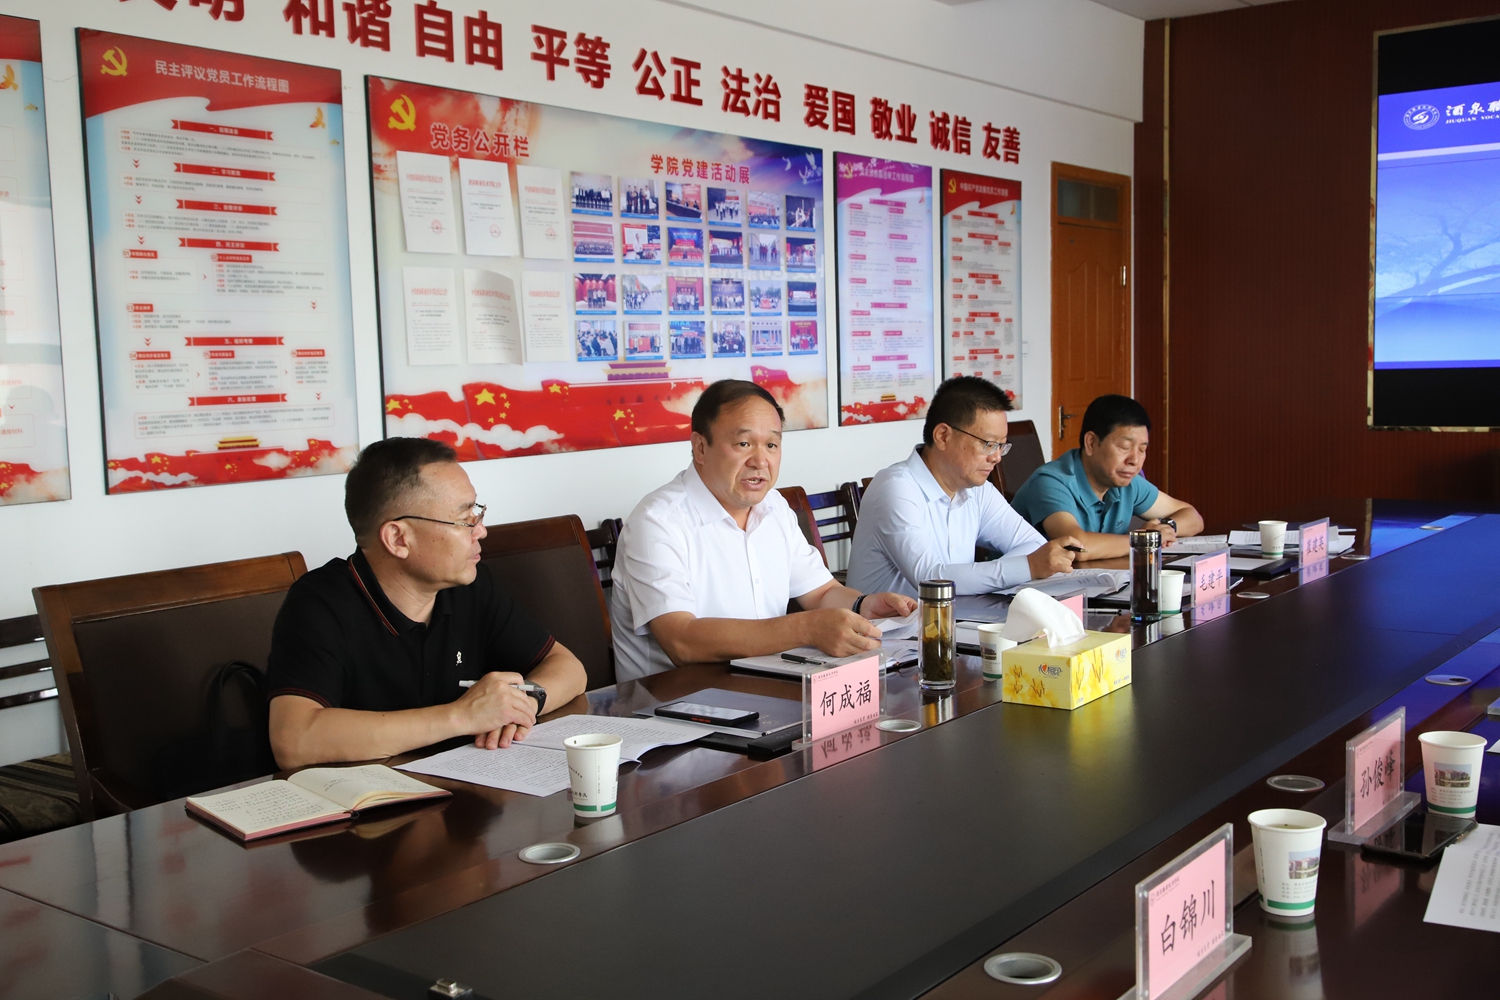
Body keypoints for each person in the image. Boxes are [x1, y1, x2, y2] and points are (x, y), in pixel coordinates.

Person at [267, 438, 588, 769]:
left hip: (465, 782)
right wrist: (460, 716)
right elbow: (293, 740)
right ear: (398, 539)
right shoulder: (319, 604)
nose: (481, 531)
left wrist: (522, 703)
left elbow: (569, 668)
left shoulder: (468, 585)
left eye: (478, 513)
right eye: (465, 519)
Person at [611, 379, 917, 681]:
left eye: (771, 445)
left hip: (765, 686)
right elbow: (682, 641)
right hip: (676, 702)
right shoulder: (657, 522)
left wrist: (863, 605)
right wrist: (806, 628)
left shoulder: (774, 507)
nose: (760, 461)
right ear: (700, 448)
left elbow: (822, 593)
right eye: (744, 444)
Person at [846, 376, 1081, 597]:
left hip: (955, 620)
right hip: (886, 626)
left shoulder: (977, 490)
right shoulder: (896, 489)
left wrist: (1007, 571)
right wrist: (1026, 567)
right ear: (943, 436)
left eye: (1001, 446)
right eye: (988, 444)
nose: (997, 457)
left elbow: (1033, 545)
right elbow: (931, 580)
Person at [1010, 394, 1202, 559]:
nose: (1134, 460)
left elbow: (1193, 517)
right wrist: (1144, 540)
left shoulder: (1127, 481)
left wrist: (1165, 527)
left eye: (1142, 450)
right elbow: (1077, 547)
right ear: (1091, 443)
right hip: (1021, 588)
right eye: (1124, 447)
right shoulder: (1051, 482)